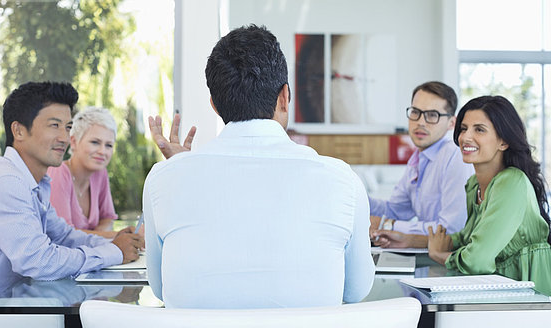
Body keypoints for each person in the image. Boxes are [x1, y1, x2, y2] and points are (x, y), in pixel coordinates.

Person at [143, 24, 374, 308]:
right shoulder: (343, 181)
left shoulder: (163, 180)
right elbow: (356, 291)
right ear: (284, 97)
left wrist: (180, 172)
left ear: (214, 104)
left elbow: (160, 288)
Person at [0, 82, 143, 306]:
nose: (64, 137)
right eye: (54, 125)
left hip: (1, 309)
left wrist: (116, 242)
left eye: (68, 127)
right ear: (19, 130)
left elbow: (63, 236)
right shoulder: (6, 182)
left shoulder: (35, 182)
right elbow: (39, 262)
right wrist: (113, 252)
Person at [428, 95, 551, 293]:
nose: (466, 137)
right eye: (463, 128)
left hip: (531, 301)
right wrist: (407, 240)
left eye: (479, 129)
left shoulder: (512, 182)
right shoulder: (474, 184)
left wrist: (438, 255)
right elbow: (469, 238)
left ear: (503, 142)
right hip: (497, 294)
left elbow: (476, 261)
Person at [370, 81, 473, 248]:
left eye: (432, 115)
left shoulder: (455, 157)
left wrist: (388, 225)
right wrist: (355, 196)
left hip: (449, 265)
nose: (420, 122)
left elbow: (451, 229)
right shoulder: (419, 157)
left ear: (451, 124)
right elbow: (396, 210)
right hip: (426, 258)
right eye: (416, 112)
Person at [48, 106, 120, 239]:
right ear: (74, 142)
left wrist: (99, 237)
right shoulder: (58, 173)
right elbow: (63, 236)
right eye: (95, 142)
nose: (102, 151)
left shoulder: (100, 173)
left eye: (109, 145)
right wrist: (117, 235)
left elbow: (107, 219)